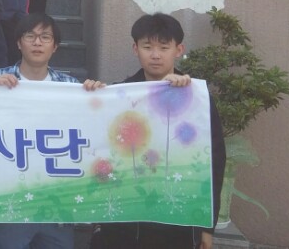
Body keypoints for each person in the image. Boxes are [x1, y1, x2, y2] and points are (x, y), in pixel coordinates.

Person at [88, 13, 226, 249]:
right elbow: (97, 151)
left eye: (164, 47)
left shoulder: (195, 101)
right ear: (135, 49)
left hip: (176, 222)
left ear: (178, 49)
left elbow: (214, 162)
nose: (155, 55)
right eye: (147, 47)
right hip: (124, 222)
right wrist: (91, 98)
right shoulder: (117, 96)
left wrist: (206, 226)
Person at [0, 14, 104, 249]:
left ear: (55, 46)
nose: (37, 42)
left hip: (55, 200)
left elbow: (92, 130)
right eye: (30, 36)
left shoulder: (70, 87)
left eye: (45, 37)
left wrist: (98, 96)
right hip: (10, 198)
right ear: (19, 43)